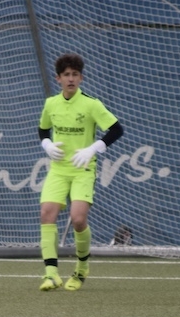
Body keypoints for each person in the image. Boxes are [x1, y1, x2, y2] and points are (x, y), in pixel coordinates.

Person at [37, 52, 124, 291]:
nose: (71, 79)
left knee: (78, 219)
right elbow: (43, 129)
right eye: (66, 75)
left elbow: (117, 129)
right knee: (46, 213)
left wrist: (93, 148)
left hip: (83, 169)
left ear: (81, 78)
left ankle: (82, 268)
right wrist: (47, 144)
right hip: (58, 170)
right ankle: (51, 274)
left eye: (75, 74)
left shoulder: (91, 104)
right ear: (58, 78)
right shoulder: (51, 104)